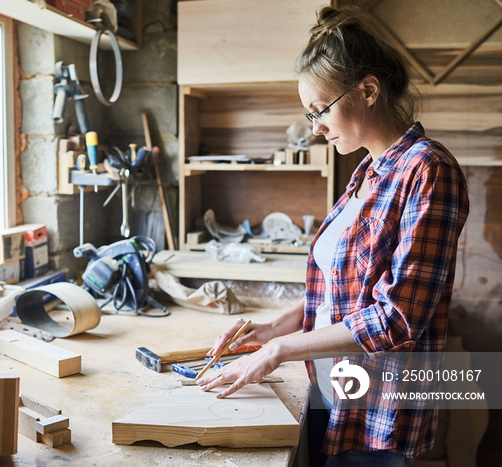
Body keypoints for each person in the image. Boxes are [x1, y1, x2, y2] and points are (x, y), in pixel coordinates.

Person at [197, 5, 469, 467]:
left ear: (367, 90)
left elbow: (396, 319)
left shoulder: (427, 169)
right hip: (330, 384)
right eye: (310, 115)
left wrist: (280, 351)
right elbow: (340, 289)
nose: (316, 127)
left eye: (319, 110)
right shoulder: (365, 170)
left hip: (376, 403)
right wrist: (273, 330)